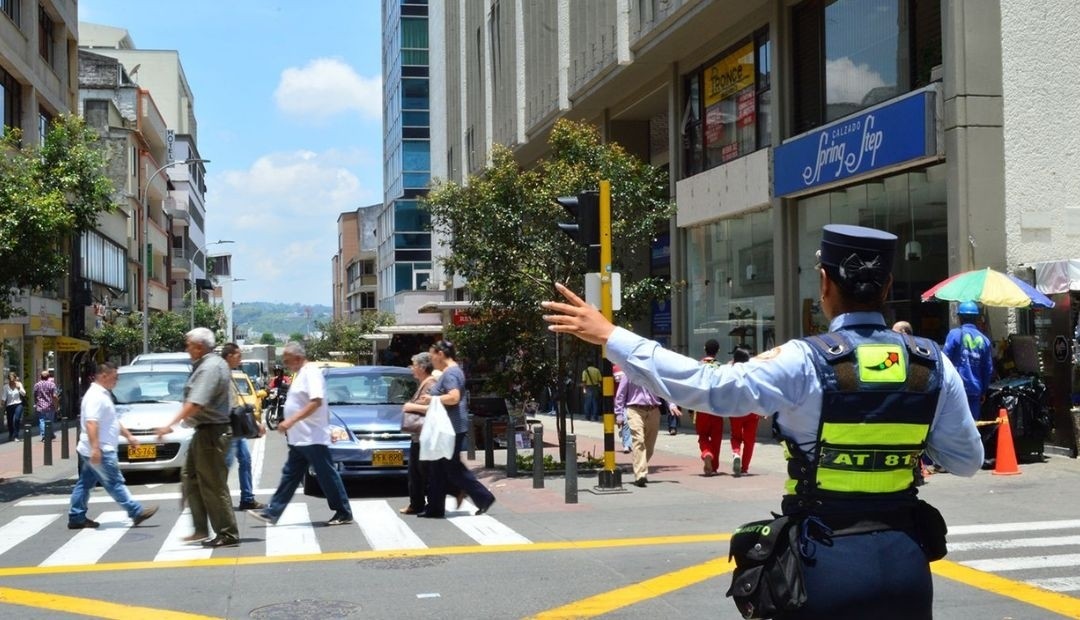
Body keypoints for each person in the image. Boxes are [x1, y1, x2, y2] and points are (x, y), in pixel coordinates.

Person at [543, 224, 983, 619]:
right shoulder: (931, 363)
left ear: (824, 282)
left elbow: (710, 387)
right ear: (887, 286)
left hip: (824, 562)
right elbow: (965, 460)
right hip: (906, 564)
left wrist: (612, 336)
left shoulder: (804, 360)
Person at [248, 341, 353, 527]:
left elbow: (316, 402)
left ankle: (343, 511)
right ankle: (272, 512)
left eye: (287, 360)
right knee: (290, 476)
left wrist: (291, 420)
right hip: (300, 438)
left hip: (312, 437)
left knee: (326, 475)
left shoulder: (311, 373)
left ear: (297, 358)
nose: (286, 364)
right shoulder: (301, 374)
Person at [156, 327, 240, 548]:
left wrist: (169, 425)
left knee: (213, 484)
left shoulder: (210, 367)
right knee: (190, 476)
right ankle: (200, 528)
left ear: (200, 346)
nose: (187, 349)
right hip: (204, 431)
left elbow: (196, 403)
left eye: (189, 345)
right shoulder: (208, 364)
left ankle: (227, 533)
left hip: (212, 432)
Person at [68, 362, 159, 529]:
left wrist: (129, 436)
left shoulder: (102, 394)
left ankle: (76, 516)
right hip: (101, 449)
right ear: (104, 376)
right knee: (114, 482)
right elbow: (91, 423)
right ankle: (136, 512)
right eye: (115, 377)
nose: (117, 381)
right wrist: (96, 448)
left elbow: (112, 421)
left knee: (85, 483)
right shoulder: (95, 396)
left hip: (94, 448)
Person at [416, 340, 495, 518]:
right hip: (450, 427)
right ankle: (435, 508)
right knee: (438, 467)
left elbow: (454, 397)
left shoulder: (451, 373)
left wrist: (432, 399)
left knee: (452, 468)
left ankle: (484, 497)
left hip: (450, 428)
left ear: (441, 354)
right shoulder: (452, 371)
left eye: (432, 355)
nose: (431, 359)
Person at [614, 366, 681, 487]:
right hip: (635, 410)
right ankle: (640, 475)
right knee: (638, 440)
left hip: (653, 410)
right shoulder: (629, 373)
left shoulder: (654, 374)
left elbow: (663, 391)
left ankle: (639, 466)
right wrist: (619, 414)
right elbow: (620, 394)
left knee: (649, 446)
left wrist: (671, 405)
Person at [222, 343, 266, 511]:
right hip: (227, 428)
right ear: (229, 356)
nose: (241, 359)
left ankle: (247, 498)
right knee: (225, 466)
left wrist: (254, 423)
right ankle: (216, 499)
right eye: (238, 356)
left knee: (245, 460)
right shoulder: (221, 374)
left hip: (235, 427)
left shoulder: (230, 374)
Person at [400, 352, 439, 515]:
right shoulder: (424, 383)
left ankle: (430, 506)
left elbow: (435, 407)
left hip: (426, 436)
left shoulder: (430, 384)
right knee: (415, 472)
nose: (411, 368)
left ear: (422, 367)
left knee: (424, 472)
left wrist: (411, 407)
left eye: (414, 365)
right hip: (419, 436)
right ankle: (416, 504)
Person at [944, 301, 995, 421]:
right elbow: (988, 369)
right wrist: (983, 391)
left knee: (954, 425)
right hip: (975, 390)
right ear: (976, 318)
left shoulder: (954, 334)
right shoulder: (985, 340)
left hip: (955, 389)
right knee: (972, 424)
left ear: (960, 317)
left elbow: (944, 360)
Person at [726, 346, 760, 477]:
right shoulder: (754, 373)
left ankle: (736, 453)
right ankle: (744, 467)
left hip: (735, 410)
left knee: (736, 436)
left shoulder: (731, 372)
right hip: (752, 410)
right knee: (749, 440)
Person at [694, 340, 725, 475]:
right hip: (717, 407)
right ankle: (714, 466)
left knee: (703, 435)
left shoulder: (698, 366)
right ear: (718, 351)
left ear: (704, 348)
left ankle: (706, 452)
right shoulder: (721, 367)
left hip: (702, 407)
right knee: (716, 438)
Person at [32, 370, 59, 441]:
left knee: (42, 420)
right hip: (50, 406)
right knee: (50, 421)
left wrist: (36, 403)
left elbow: (35, 395)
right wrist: (57, 405)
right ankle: (50, 434)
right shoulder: (52, 384)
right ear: (48, 377)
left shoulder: (37, 385)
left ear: (40, 377)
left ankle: (44, 435)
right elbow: (54, 396)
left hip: (40, 406)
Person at [613, 365, 632, 453]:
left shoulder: (630, 367)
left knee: (631, 423)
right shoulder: (614, 369)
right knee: (625, 422)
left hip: (632, 400)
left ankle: (629, 443)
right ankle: (627, 444)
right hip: (620, 400)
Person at [3, 372, 25, 442]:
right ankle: (11, 433)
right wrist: (2, 403)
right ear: (8, 379)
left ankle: (16, 436)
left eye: (13, 380)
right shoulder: (5, 387)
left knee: (17, 419)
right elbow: (4, 397)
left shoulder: (19, 384)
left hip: (18, 404)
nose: (11, 381)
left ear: (15, 379)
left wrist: (19, 388)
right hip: (9, 405)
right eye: (10, 380)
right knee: (10, 421)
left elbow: (24, 394)